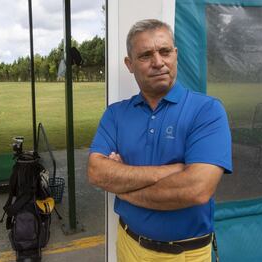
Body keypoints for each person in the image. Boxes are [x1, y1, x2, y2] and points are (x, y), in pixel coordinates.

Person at [88, 19, 232, 261]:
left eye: (165, 52)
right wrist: (171, 171)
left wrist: (122, 188)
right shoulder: (115, 114)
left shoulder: (207, 111)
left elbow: (196, 189)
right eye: (145, 55)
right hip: (128, 244)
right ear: (129, 64)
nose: (158, 62)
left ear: (175, 54)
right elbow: (96, 172)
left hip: (185, 252)